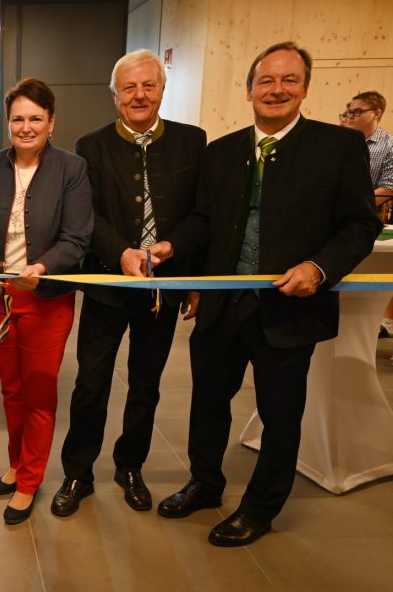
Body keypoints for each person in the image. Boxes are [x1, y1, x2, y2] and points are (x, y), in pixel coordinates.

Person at [148, 42, 380, 546]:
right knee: (208, 402)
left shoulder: (338, 147)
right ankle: (205, 483)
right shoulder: (222, 151)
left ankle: (260, 507)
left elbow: (360, 226)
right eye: (267, 81)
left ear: (305, 88)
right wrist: (174, 248)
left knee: (280, 413)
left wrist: (319, 269)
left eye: (289, 80)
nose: (277, 90)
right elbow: (205, 221)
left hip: (290, 308)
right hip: (223, 305)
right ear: (249, 89)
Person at [52, 50, 206, 518]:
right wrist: (121, 250)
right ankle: (78, 472)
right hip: (108, 284)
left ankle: (130, 466)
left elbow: (203, 214)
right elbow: (87, 215)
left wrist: (180, 257)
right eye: (129, 88)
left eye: (148, 85)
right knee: (90, 383)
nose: (139, 95)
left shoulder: (192, 141)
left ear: (162, 89)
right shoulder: (91, 146)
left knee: (146, 384)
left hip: (163, 287)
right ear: (115, 95)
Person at [0, 78, 92, 524]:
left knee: (39, 392)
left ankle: (29, 480)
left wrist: (40, 268)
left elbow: (76, 239)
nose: (26, 127)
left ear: (51, 122)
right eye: (18, 119)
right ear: (8, 123)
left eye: (36, 119)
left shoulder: (71, 168)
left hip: (46, 298)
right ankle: (17, 461)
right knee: (11, 388)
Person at [338, 92, 393, 337]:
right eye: (348, 111)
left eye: (357, 112)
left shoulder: (389, 146)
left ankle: (384, 321)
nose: (350, 116)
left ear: (376, 113)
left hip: (370, 219)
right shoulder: (337, 140)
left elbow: (388, 188)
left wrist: (354, 203)